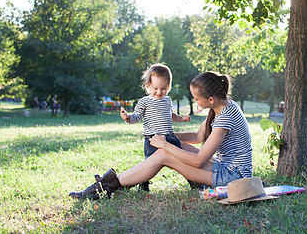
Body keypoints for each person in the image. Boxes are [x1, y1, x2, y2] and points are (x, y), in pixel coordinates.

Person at [69, 71, 253, 200]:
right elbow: (198, 137)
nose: (194, 100)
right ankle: (111, 183)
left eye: (196, 98)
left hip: (234, 177)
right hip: (227, 169)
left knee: (164, 154)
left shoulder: (225, 117)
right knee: (172, 147)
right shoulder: (223, 107)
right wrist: (168, 137)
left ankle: (104, 187)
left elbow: (198, 160)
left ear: (210, 99)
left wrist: (165, 145)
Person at [119, 63, 190, 191]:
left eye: (163, 88)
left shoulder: (167, 100)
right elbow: (137, 116)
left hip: (170, 137)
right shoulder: (144, 102)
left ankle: (193, 180)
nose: (159, 92)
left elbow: (170, 115)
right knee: (149, 164)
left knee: (183, 160)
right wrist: (128, 118)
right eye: (155, 88)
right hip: (153, 139)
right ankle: (142, 184)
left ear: (168, 87)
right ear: (148, 85)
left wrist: (181, 118)